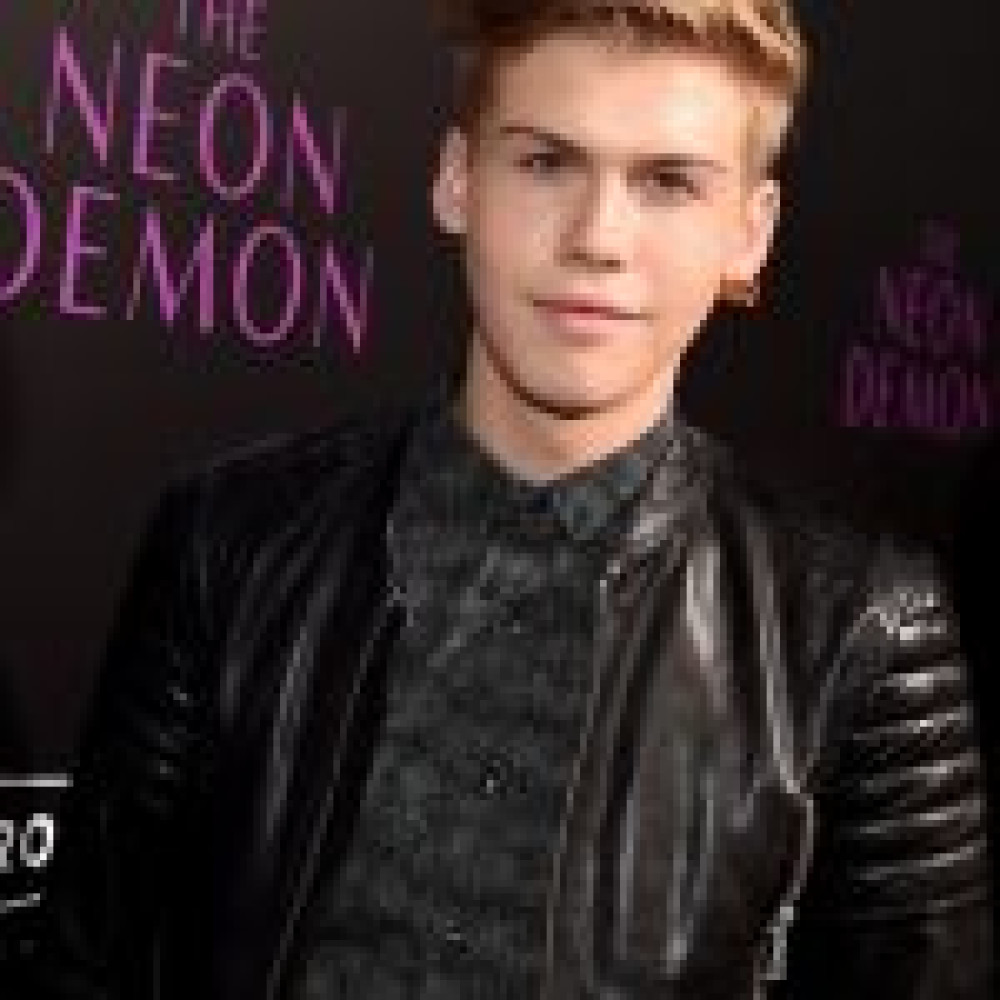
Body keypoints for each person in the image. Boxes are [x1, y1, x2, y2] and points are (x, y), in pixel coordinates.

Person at [30, 1, 993, 997]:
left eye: (668, 182)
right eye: (544, 162)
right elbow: (90, 963)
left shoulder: (863, 626)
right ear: (458, 180)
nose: (597, 238)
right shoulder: (229, 539)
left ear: (749, 235)